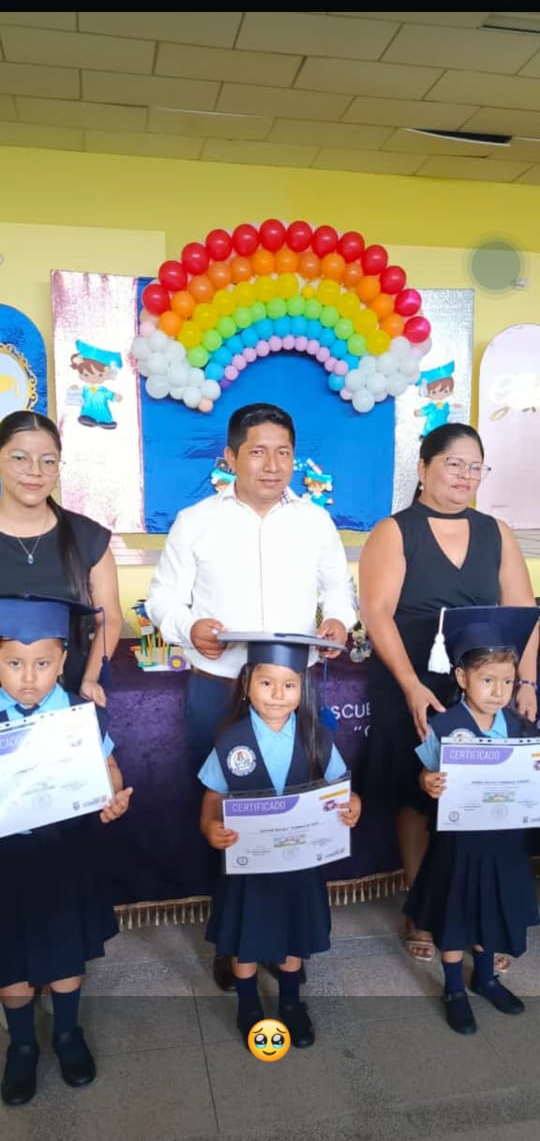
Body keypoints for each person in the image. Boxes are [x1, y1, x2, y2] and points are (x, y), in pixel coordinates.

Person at [145, 402, 358, 990]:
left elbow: (340, 590)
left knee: (299, 804)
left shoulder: (315, 521)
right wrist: (188, 627)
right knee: (226, 814)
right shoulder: (196, 521)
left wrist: (339, 620)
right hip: (220, 687)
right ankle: (233, 937)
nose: (272, 465)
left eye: (283, 452)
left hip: (295, 690)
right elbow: (163, 599)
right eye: (258, 452)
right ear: (230, 456)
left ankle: (288, 935)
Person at [358, 422, 538, 967]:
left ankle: (478, 914)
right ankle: (421, 906)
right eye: (453, 463)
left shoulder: (496, 531)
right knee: (417, 792)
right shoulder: (395, 530)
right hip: (413, 679)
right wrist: (411, 685)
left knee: (480, 795)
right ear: (423, 467)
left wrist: (525, 682)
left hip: (484, 687)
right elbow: (377, 614)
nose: (465, 475)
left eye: (475, 466)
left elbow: (525, 613)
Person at [198, 632, 361, 1049]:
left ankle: (290, 1001)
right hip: (247, 867)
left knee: (293, 936)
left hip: (299, 864)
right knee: (246, 939)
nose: (277, 694)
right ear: (247, 684)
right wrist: (210, 826)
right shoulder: (230, 741)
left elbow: (342, 788)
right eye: (266, 683)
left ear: (302, 689)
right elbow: (213, 797)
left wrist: (353, 805)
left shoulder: (317, 738)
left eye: (289, 685)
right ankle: (248, 1004)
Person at [0, 595, 133, 1107]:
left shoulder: (81, 717)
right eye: (14, 663)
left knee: (64, 954)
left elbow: (110, 770)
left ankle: (68, 1033)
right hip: (6, 863)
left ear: (62, 663)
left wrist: (113, 796)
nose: (27, 678)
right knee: (9, 963)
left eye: (41, 663)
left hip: (64, 856)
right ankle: (22, 1045)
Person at [404, 604, 540, 1035]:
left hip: (503, 845)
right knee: (455, 914)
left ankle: (485, 978)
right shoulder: (443, 726)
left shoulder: (520, 727)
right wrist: (427, 782)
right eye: (487, 680)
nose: (499, 691)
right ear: (462, 678)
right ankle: (453, 989)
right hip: (457, 847)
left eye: (507, 681)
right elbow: (422, 774)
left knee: (490, 914)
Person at [0, 410, 123, 704]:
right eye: (20, 458)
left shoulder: (89, 538)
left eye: (48, 461)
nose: (35, 471)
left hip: (66, 700)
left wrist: (90, 679)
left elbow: (110, 619)